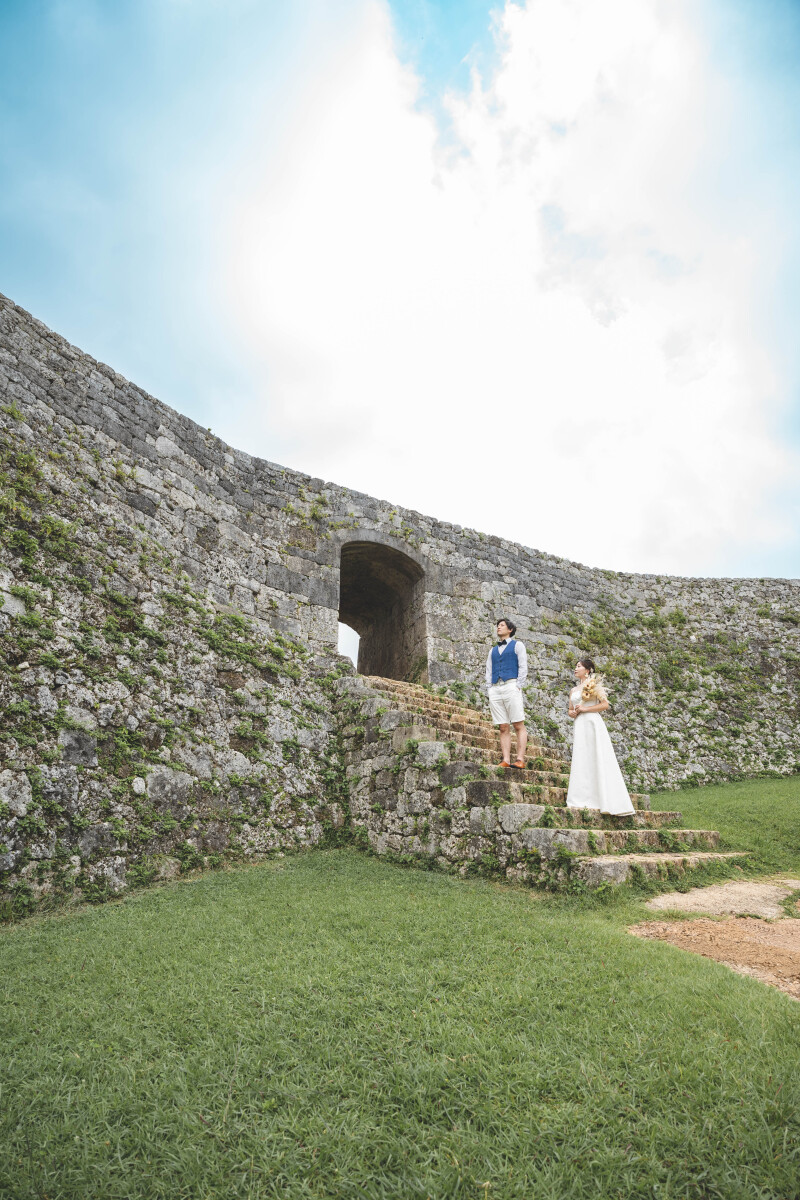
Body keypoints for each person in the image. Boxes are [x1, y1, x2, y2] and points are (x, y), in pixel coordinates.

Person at [566, 657, 635, 815]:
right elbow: (570, 710)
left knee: (596, 756)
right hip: (580, 724)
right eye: (575, 666)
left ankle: (602, 798)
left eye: (579, 666)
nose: (575, 669)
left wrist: (585, 709)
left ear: (587, 670)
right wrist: (573, 712)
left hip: (592, 723)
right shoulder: (573, 690)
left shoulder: (594, 684)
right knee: (582, 757)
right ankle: (581, 797)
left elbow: (605, 705)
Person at [485, 618, 528, 768]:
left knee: (518, 724)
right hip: (495, 688)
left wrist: (518, 686)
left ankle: (520, 759)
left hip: (511, 685)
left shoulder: (518, 645)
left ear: (510, 629)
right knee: (503, 726)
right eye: (498, 625)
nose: (498, 627)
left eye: (502, 625)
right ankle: (506, 760)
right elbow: (488, 670)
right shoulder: (492, 650)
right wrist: (490, 688)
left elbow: (523, 666)